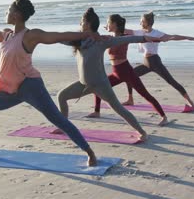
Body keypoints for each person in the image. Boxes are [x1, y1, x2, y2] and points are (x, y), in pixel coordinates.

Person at [0, 0, 98, 166]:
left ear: (17, 15)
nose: (7, 12)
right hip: (11, 89)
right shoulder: (6, 35)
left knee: (57, 119)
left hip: (30, 86)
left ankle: (89, 152)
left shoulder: (30, 36)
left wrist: (87, 34)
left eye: (9, 10)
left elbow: (56, 36)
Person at [56, 8, 165, 140]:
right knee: (62, 96)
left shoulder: (101, 41)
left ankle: (142, 132)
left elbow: (126, 39)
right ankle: (64, 127)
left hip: (101, 85)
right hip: (83, 84)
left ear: (88, 24)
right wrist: (38, 37)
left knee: (118, 108)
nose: (80, 25)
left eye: (81, 22)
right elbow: (58, 37)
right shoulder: (77, 41)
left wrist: (144, 38)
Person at [86, 14, 169, 126]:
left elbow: (144, 38)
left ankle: (164, 117)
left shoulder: (124, 37)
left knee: (145, 94)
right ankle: (97, 112)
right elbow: (93, 38)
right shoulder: (108, 38)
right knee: (98, 87)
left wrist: (161, 39)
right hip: (116, 73)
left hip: (127, 72)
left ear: (114, 24)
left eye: (108, 23)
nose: (106, 25)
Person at [122, 12, 194, 109]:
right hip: (146, 62)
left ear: (147, 22)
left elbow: (172, 36)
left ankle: (191, 102)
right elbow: (124, 31)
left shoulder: (156, 33)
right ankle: (130, 99)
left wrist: (186, 37)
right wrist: (110, 27)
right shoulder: (139, 32)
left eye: (141, 21)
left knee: (171, 81)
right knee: (129, 76)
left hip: (155, 62)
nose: (140, 23)